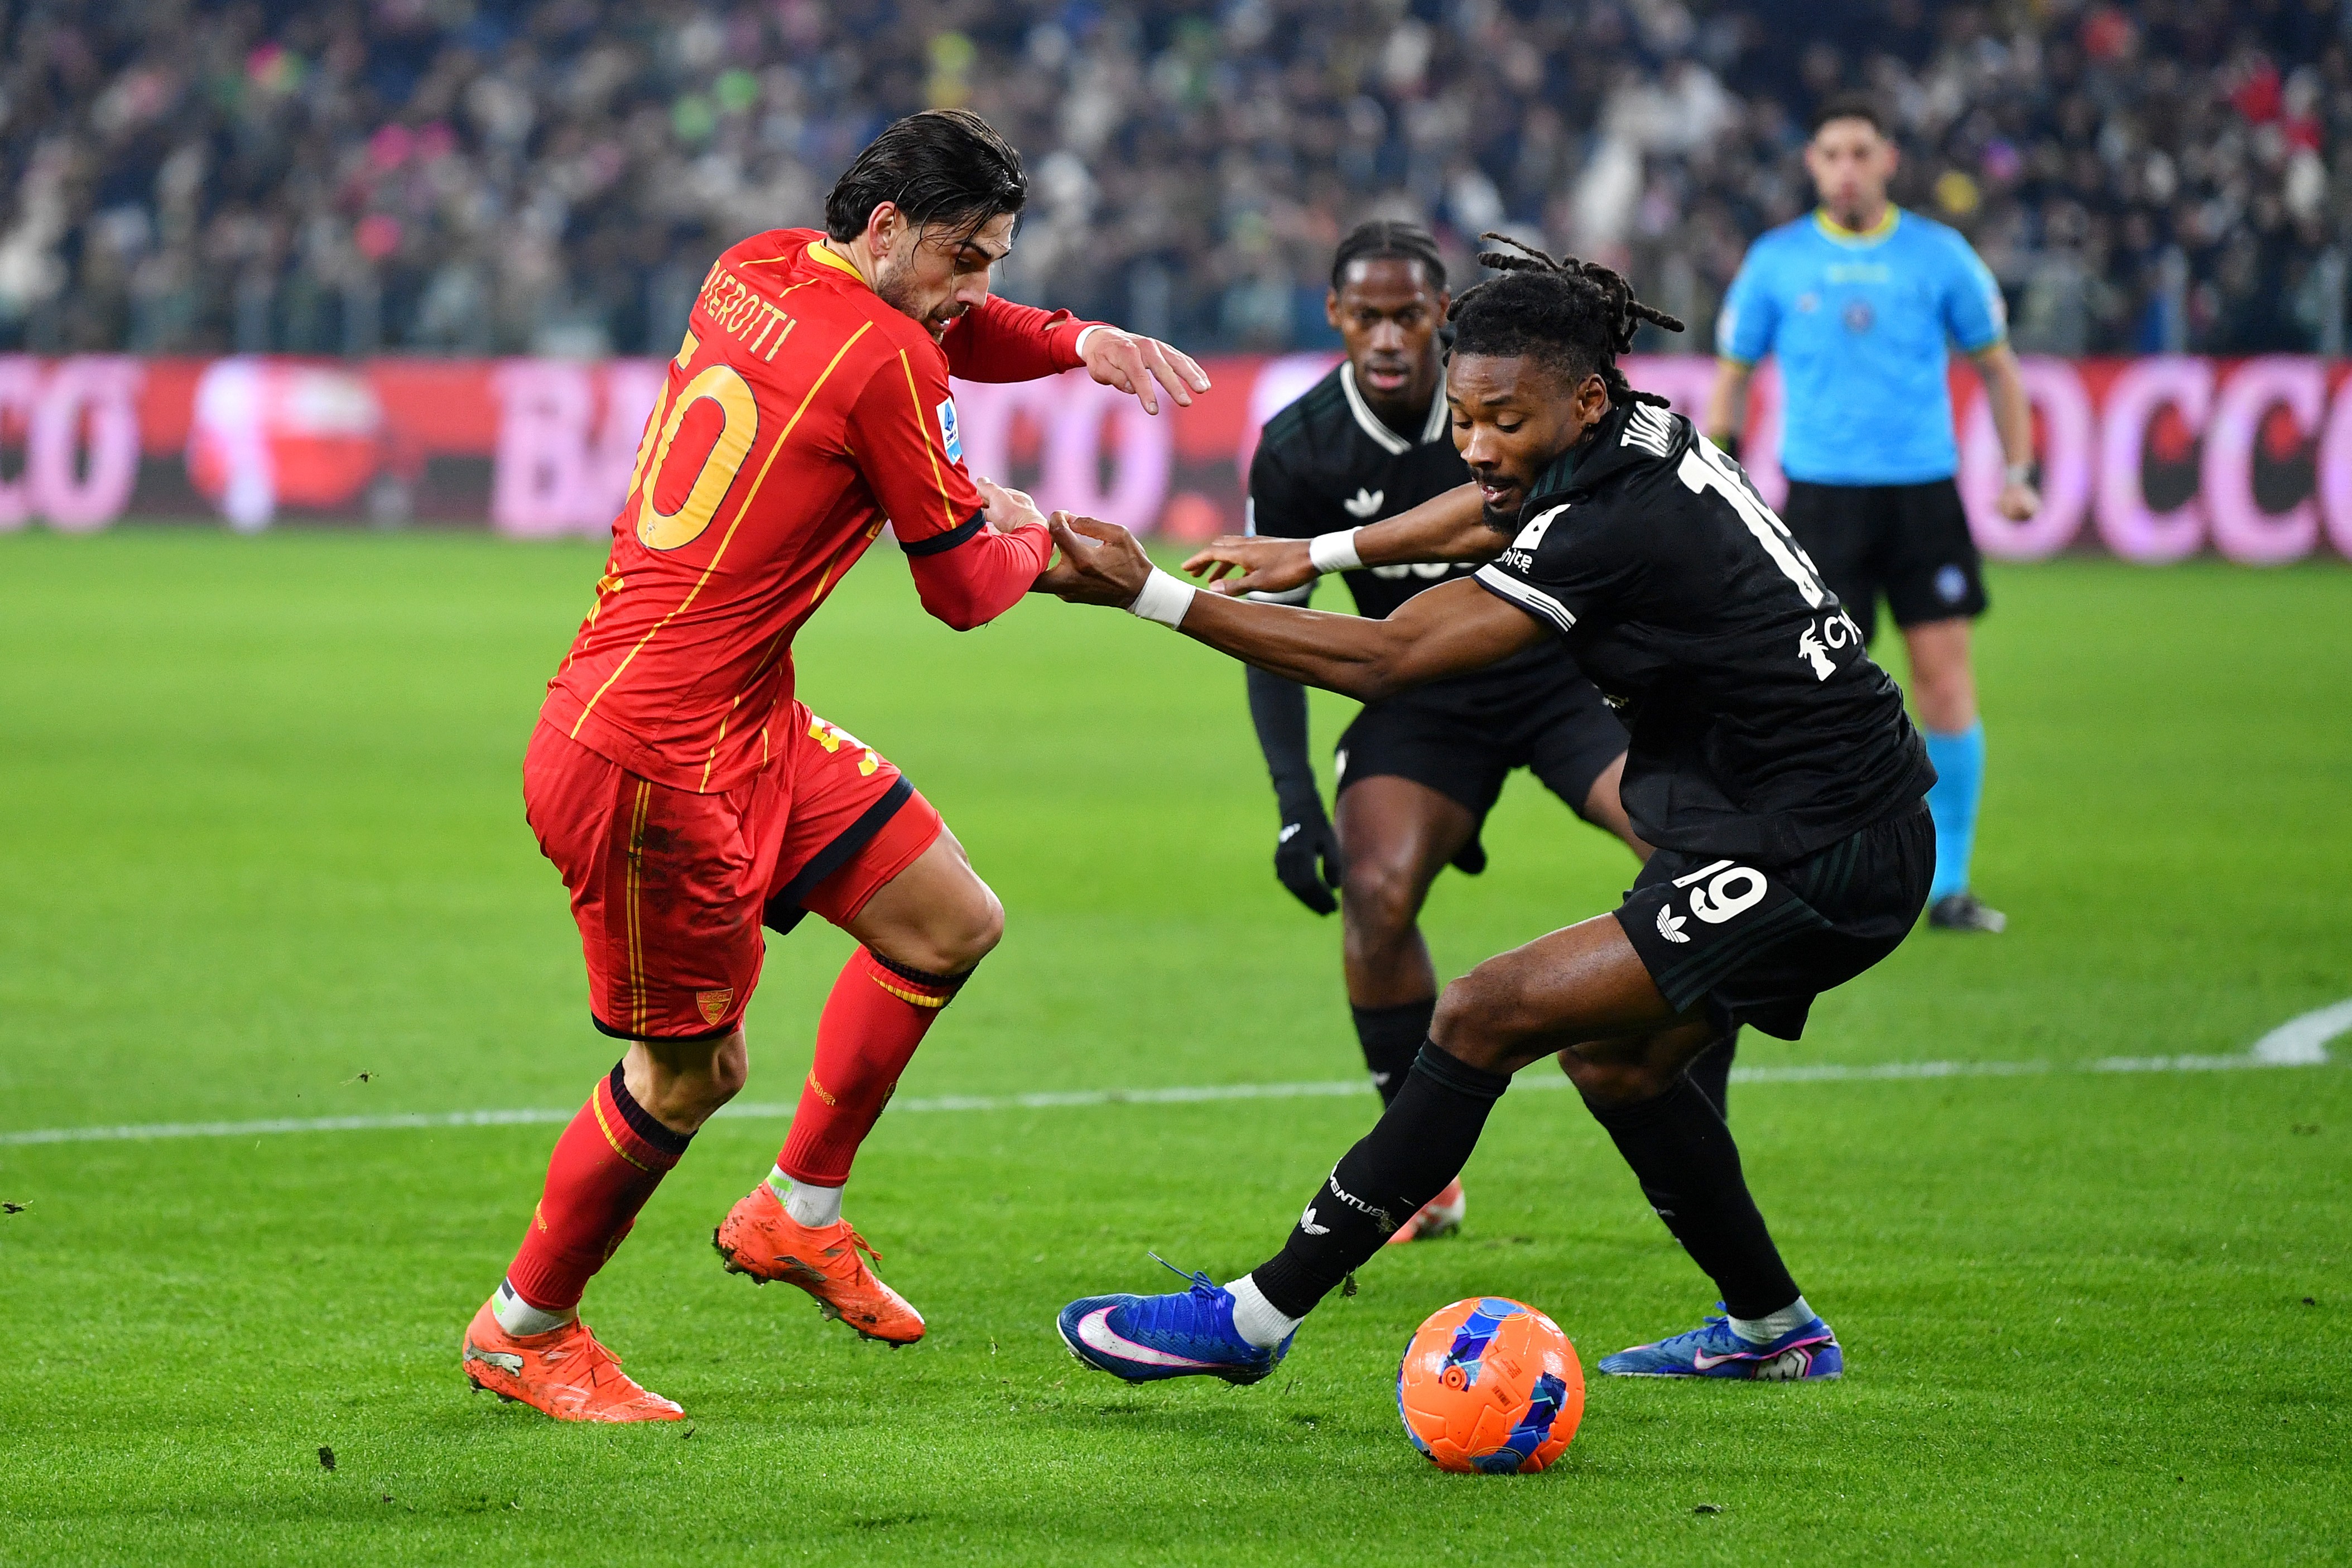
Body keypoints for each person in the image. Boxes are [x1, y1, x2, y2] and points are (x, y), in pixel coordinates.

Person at [1038, 238, 1936, 1388]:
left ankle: (1253, 1321)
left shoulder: (1613, 525)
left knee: (1479, 1010)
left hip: (1817, 840)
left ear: (1583, 399)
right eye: (1464, 419)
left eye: (1502, 421)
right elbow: (1486, 510)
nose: (1475, 445)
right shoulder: (1636, 431)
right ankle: (1772, 1329)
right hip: (1790, 810)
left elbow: (1389, 655)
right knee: (1615, 1067)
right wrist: (1312, 551)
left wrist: (1148, 596)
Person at [459, 109, 1210, 1423]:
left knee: (946, 922)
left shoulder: (755, 264)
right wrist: (1031, 531)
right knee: (691, 1074)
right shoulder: (884, 365)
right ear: (886, 230)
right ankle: (527, 1326)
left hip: (737, 712)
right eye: (967, 255)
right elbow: (967, 592)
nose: (981, 285)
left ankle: (798, 1211)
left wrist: (1069, 338)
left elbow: (942, 328)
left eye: (994, 258)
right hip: (649, 760)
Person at [1239, 222, 1733, 1244]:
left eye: (1407, 314)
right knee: (1374, 894)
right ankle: (1416, 1172)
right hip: (1423, 697)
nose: (1386, 336)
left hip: (1556, 677)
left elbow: (1485, 519)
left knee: (1695, 862)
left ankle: (1684, 1111)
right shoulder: (1297, 446)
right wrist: (1293, 803)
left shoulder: (1515, 398)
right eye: (1365, 314)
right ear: (1334, 316)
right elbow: (1278, 627)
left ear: (1441, 319)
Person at [1705, 91, 2039, 934]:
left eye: (1861, 152)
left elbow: (1999, 369)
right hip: (1819, 499)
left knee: (1943, 679)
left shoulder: (1940, 256)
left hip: (1922, 494)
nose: (1845, 168)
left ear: (1888, 159)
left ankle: (1949, 884)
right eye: (1830, 154)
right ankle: (1812, 864)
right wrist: (1713, 475)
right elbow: (1733, 377)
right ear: (1812, 164)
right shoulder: (1776, 262)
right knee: (1814, 695)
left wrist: (2019, 470)